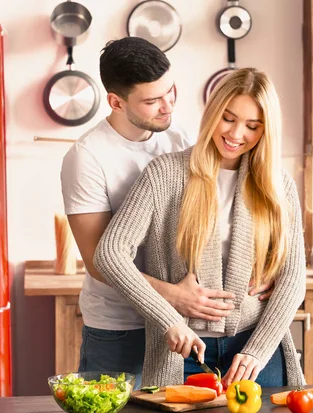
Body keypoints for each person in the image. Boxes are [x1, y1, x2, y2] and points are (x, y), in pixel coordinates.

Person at [61, 37, 272, 387]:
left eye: (170, 90)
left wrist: (267, 269)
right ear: (116, 101)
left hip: (180, 324)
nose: (167, 105)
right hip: (121, 326)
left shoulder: (178, 136)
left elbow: (215, 218)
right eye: (152, 100)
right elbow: (100, 263)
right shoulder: (87, 158)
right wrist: (174, 295)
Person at [94, 67, 307, 388]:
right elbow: (110, 254)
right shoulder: (164, 174)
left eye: (252, 126)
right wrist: (167, 319)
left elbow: (293, 278)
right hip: (183, 353)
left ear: (265, 130)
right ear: (212, 112)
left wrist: (257, 352)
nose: (236, 134)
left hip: (256, 350)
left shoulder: (278, 185)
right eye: (228, 118)